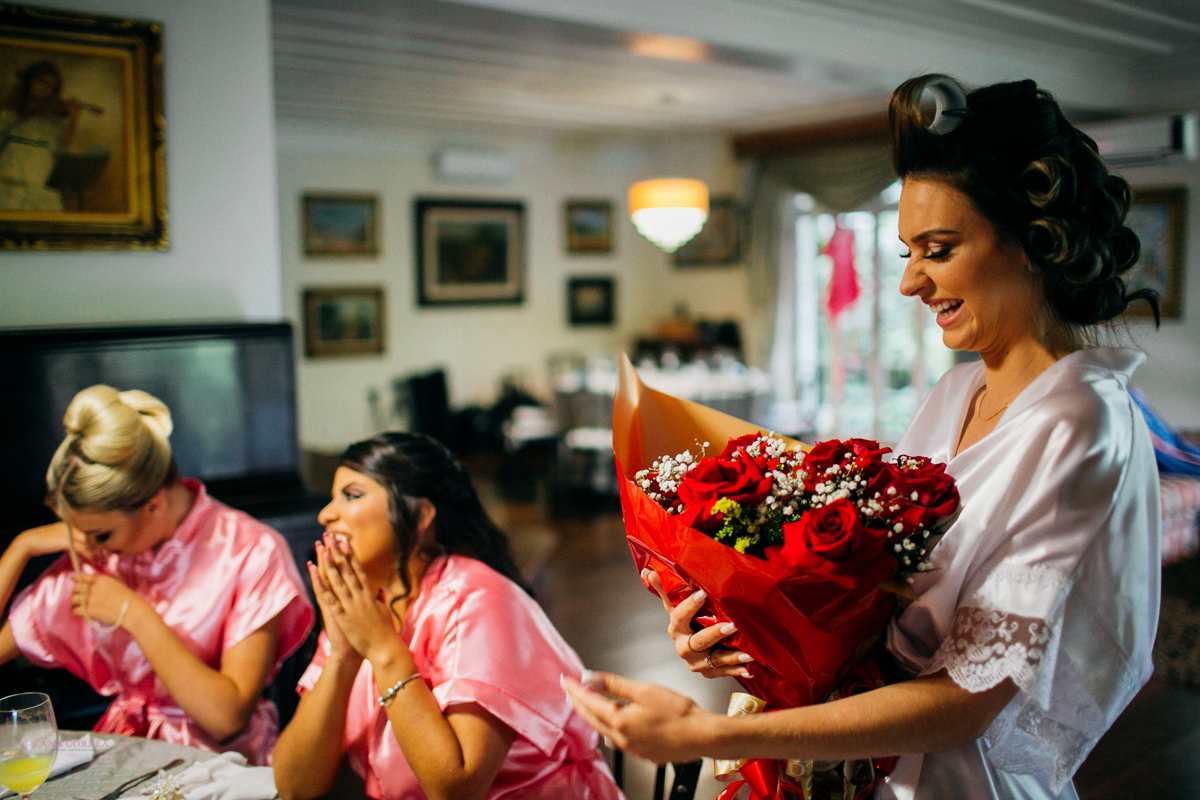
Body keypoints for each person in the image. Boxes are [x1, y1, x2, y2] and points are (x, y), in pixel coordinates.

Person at [566, 74, 1161, 800]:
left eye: (937, 249)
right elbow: (880, 603)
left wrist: (713, 735)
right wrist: (744, 638)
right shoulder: (955, 391)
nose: (909, 282)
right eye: (907, 250)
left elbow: (968, 699)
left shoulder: (1080, 423)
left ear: (1033, 241)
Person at [272, 432, 623, 800]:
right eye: (332, 498)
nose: (326, 514)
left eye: (352, 495)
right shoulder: (363, 606)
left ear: (421, 514)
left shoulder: (480, 600)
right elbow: (295, 785)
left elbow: (457, 788)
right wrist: (343, 656)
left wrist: (383, 649)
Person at [0, 385, 314, 765]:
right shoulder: (101, 553)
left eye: (101, 533)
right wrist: (20, 548)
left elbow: (226, 720)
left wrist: (134, 614)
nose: (86, 544)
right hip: (120, 756)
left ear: (154, 505)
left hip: (222, 767)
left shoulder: (250, 550)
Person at [0, 60, 99, 211]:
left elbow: (64, 146)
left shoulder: (53, 120)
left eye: (50, 86)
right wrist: (23, 113)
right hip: (7, 184)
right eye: (41, 82)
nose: (45, 89)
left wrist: (73, 119)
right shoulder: (10, 111)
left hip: (40, 187)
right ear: (29, 83)